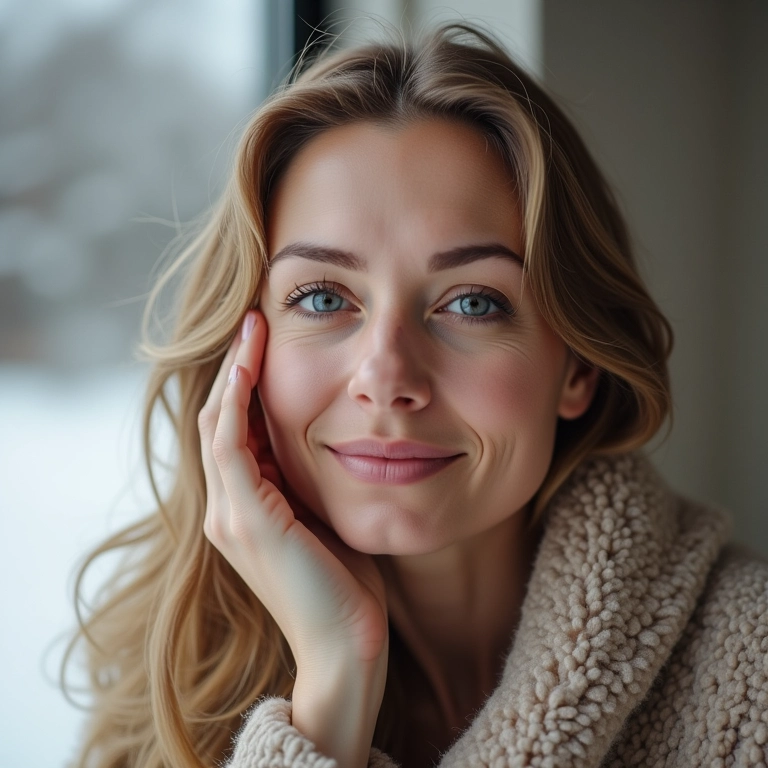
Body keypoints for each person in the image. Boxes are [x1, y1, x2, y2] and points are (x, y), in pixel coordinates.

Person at [61, 22, 768, 768]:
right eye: (325, 297)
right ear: (247, 352)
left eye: (471, 303)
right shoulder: (158, 696)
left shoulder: (750, 677)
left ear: (578, 368)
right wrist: (335, 677)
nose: (387, 378)